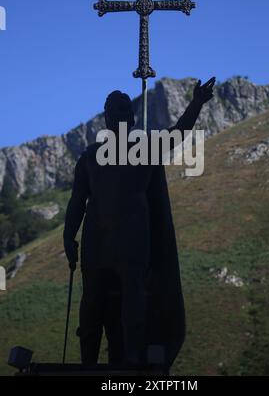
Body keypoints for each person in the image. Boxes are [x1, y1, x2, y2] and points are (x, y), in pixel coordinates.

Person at [63, 77, 215, 367]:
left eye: (123, 112)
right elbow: (76, 201)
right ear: (107, 120)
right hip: (99, 242)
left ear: (130, 118)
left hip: (131, 242)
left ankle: (131, 361)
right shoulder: (91, 157)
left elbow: (178, 133)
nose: (119, 117)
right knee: (92, 304)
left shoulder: (143, 149)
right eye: (114, 113)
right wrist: (68, 237)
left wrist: (196, 103)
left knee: (132, 301)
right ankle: (88, 364)